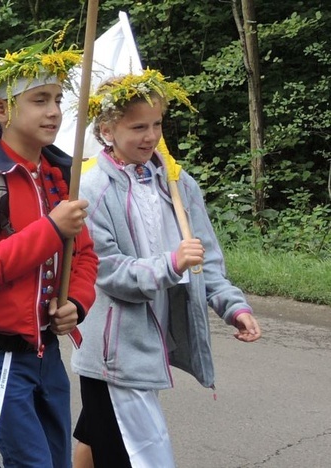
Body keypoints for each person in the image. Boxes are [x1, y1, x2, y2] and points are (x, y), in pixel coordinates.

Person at [70, 70, 262, 467]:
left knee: (101, 436)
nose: (151, 136)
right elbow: (107, 271)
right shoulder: (90, 190)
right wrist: (170, 263)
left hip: (156, 338)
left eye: (156, 124)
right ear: (106, 129)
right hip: (114, 350)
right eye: (138, 126)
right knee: (142, 454)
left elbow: (203, 257)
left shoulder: (178, 184)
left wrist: (233, 306)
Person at [0, 30, 99, 468]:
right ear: (1, 109)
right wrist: (51, 229)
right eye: (39, 100)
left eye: (57, 98)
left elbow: (85, 256)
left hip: (45, 348)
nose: (54, 111)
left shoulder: (58, 173)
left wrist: (77, 304)